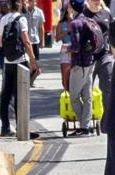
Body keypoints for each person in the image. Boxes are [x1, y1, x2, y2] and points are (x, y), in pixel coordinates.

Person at [0, 0, 40, 136]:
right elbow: (26, 41)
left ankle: (5, 127)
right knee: (20, 96)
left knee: (6, 96)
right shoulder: (22, 19)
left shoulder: (3, 19)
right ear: (20, 5)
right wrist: (33, 61)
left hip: (7, 62)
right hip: (21, 62)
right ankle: (22, 129)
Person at [84, 0, 113, 135]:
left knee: (108, 88)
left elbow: (112, 34)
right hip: (88, 57)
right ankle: (86, 123)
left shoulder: (106, 13)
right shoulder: (83, 12)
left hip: (105, 56)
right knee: (87, 90)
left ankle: (107, 123)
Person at [68, 0, 96, 136]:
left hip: (79, 65)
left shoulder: (75, 23)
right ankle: (86, 126)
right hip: (90, 62)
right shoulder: (89, 20)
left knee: (73, 96)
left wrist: (66, 48)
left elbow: (76, 46)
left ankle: (84, 125)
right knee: (87, 96)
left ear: (73, 8)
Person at [56, 2, 73, 91]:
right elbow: (57, 38)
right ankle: (66, 92)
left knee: (74, 76)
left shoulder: (78, 21)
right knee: (65, 76)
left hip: (75, 50)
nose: (70, 12)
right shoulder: (61, 23)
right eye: (69, 9)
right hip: (65, 50)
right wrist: (66, 32)